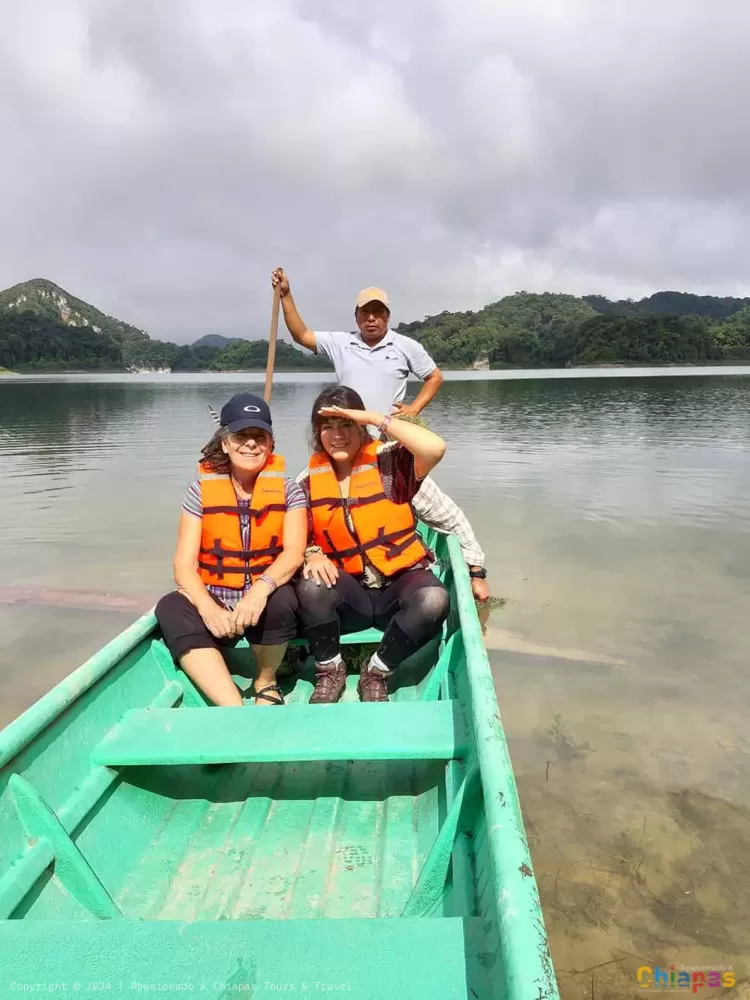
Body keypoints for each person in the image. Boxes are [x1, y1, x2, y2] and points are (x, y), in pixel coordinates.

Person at [294, 385, 451, 704]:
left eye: (346, 425)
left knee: (434, 599)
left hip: (399, 584)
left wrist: (373, 418)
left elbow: (434, 448)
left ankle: (376, 671)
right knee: (310, 585)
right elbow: (293, 537)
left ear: (360, 426)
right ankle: (331, 669)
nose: (337, 435)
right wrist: (311, 553)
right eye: (328, 427)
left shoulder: (388, 465)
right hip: (350, 595)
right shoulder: (307, 482)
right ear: (317, 433)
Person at [155, 393, 307, 707]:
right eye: (241, 436)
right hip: (216, 594)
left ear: (270, 444)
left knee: (283, 598)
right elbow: (184, 563)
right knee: (170, 607)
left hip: (262, 599)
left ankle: (266, 680)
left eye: (259, 437)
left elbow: (293, 552)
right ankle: (231, 704)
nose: (251, 444)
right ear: (225, 443)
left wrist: (259, 591)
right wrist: (208, 609)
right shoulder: (201, 489)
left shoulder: (289, 489)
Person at [271, 267, 444, 420]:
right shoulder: (341, 343)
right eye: (365, 312)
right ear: (356, 317)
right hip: (350, 436)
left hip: (388, 437)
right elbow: (302, 335)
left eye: (378, 312)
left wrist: (414, 408)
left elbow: (434, 377)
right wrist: (286, 295)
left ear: (387, 317)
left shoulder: (405, 345)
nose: (371, 318)